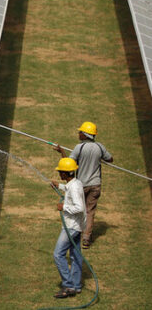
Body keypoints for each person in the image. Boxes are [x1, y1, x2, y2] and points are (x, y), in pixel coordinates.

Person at [53, 121, 113, 249]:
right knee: (89, 211)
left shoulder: (79, 148)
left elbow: (69, 164)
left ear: (86, 135)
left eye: (80, 132)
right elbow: (110, 159)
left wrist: (62, 151)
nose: (78, 133)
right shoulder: (100, 147)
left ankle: (76, 233)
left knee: (78, 208)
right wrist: (99, 157)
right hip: (96, 185)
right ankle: (86, 238)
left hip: (81, 185)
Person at [50, 157, 86, 298]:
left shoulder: (75, 187)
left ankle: (69, 286)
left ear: (65, 173)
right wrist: (59, 186)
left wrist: (63, 207)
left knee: (58, 254)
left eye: (60, 172)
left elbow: (79, 207)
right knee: (75, 255)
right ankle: (76, 285)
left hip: (71, 227)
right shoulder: (75, 183)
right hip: (77, 226)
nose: (59, 174)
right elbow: (69, 190)